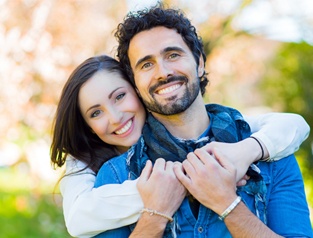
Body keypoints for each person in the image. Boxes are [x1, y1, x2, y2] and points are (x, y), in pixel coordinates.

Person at [93, 5, 313, 237]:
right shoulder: (115, 177)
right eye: (146, 64)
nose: (162, 72)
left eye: (173, 55)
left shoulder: (271, 158)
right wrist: (155, 216)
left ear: (199, 63)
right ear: (135, 84)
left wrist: (228, 204)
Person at [51, 55, 311, 238]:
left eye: (120, 96)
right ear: (87, 126)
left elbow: (288, 125)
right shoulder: (100, 172)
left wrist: (247, 152)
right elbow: (78, 219)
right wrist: (161, 203)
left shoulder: (236, 136)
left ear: (138, 89)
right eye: (96, 113)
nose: (116, 117)